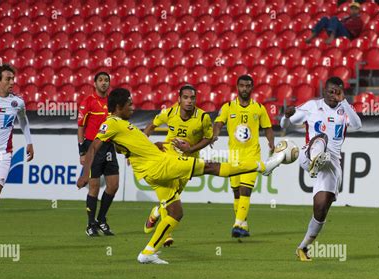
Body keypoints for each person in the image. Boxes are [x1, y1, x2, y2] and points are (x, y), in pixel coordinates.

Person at [77, 88, 285, 264]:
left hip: (153, 167)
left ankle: (148, 252)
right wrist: (85, 173)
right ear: (118, 107)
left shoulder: (123, 125)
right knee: (211, 167)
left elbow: (132, 145)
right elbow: (94, 148)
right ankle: (262, 166)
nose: (133, 107)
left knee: (175, 212)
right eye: (129, 104)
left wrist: (154, 145)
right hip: (162, 165)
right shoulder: (111, 123)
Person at [280, 77, 362, 261]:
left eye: (337, 92)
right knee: (321, 139)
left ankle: (303, 247)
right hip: (309, 152)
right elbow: (284, 126)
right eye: (331, 91)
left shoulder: (344, 109)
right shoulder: (311, 106)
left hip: (331, 162)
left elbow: (358, 125)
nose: (333, 95)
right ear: (324, 91)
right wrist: (285, 116)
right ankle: (313, 162)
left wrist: (345, 101)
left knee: (321, 207)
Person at [142, 85, 213, 247]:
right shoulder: (169, 113)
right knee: (172, 196)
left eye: (192, 98)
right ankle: (166, 235)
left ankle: (155, 213)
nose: (189, 101)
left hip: (189, 160)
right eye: (186, 97)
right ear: (179, 99)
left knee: (174, 196)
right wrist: (141, 147)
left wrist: (191, 149)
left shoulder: (203, 118)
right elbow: (151, 125)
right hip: (169, 156)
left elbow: (208, 138)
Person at [212, 75, 274, 238]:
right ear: (237, 87)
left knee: (246, 190)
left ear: (252, 88)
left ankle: (236, 225)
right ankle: (243, 224)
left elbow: (267, 127)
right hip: (234, 156)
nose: (245, 89)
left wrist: (271, 142)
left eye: (248, 86)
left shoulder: (259, 108)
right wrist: (215, 134)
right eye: (242, 86)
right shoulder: (228, 107)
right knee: (237, 193)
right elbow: (218, 123)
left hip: (252, 156)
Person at [0, 64, 34, 250]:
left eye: (13, 78)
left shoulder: (17, 102)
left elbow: (23, 120)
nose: (12, 82)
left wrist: (29, 141)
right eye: (8, 79)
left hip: (3, 154)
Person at [77, 72, 119, 237]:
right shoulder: (88, 101)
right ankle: (90, 224)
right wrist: (82, 151)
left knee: (113, 186)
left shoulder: (112, 103)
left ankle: (101, 219)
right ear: (94, 83)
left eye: (106, 80)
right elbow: (81, 127)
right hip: (92, 147)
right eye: (100, 80)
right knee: (93, 187)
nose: (104, 83)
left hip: (109, 147)